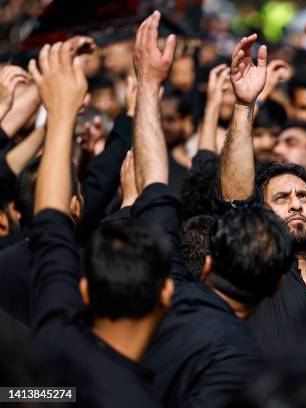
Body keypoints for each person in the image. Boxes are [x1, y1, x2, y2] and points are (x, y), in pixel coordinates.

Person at [119, 13, 294, 408]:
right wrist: (242, 106)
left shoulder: (165, 290)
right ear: (277, 286)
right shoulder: (239, 364)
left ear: (209, 263)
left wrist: (148, 84)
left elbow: (153, 184)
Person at [27, 37, 174, 407]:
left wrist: (61, 113)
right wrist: (149, 91)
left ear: (85, 291)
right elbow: (53, 225)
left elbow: (50, 224)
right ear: (166, 294)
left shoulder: (48, 356)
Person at [216, 31, 306, 361]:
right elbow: (235, 199)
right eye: (281, 198)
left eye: (304, 197)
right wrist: (244, 105)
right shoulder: (263, 276)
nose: (295, 204)